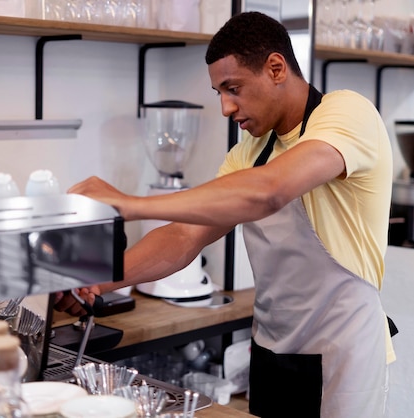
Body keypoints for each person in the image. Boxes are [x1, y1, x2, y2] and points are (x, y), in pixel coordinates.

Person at [55, 11, 395, 418]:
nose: (225, 107)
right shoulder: (246, 154)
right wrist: (100, 279)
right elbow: (183, 237)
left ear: (275, 68)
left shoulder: (346, 113)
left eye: (233, 88)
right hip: (271, 351)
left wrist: (129, 204)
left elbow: (270, 191)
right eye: (219, 92)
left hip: (345, 355)